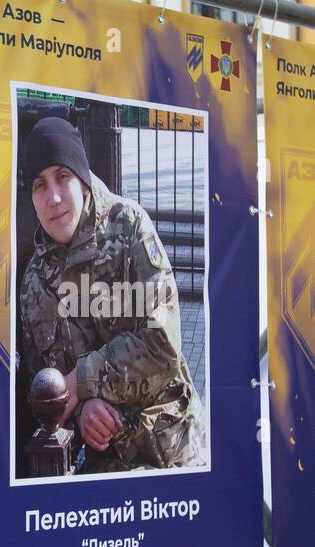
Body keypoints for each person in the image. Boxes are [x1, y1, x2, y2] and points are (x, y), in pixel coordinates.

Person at [18, 116, 205, 474]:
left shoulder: (129, 228)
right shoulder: (34, 284)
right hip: (105, 475)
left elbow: (164, 344)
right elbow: (44, 393)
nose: (53, 197)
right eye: (39, 185)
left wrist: (82, 381)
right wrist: (79, 409)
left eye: (63, 177)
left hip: (173, 457)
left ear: (83, 180)